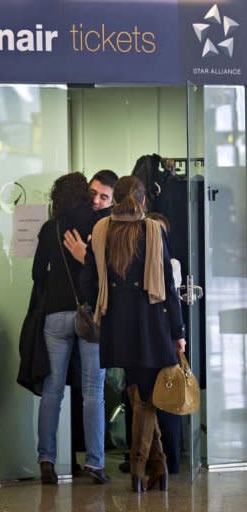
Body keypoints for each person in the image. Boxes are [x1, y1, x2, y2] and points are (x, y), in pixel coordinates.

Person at [80, 175, 186, 493]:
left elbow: (88, 282)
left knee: (138, 391)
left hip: (116, 324)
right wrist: (177, 330)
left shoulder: (101, 231)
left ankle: (157, 466)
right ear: (141, 200)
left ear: (117, 199)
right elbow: (168, 285)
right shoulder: (152, 230)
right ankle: (141, 468)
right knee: (146, 396)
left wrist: (99, 302)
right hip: (153, 323)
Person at [32, 172, 109, 485]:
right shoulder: (97, 226)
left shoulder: (50, 228)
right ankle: (95, 463)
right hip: (88, 314)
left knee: (52, 391)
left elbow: (38, 273)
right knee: (93, 392)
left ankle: (46, 459)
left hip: (55, 316)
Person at [63, 169, 118, 475]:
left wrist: (85, 256)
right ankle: (90, 459)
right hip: (85, 315)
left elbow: (112, 275)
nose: (96, 201)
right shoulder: (88, 220)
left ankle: (92, 460)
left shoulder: (112, 227)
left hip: (97, 316)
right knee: (87, 388)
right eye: (93, 194)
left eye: (103, 196)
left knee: (88, 388)